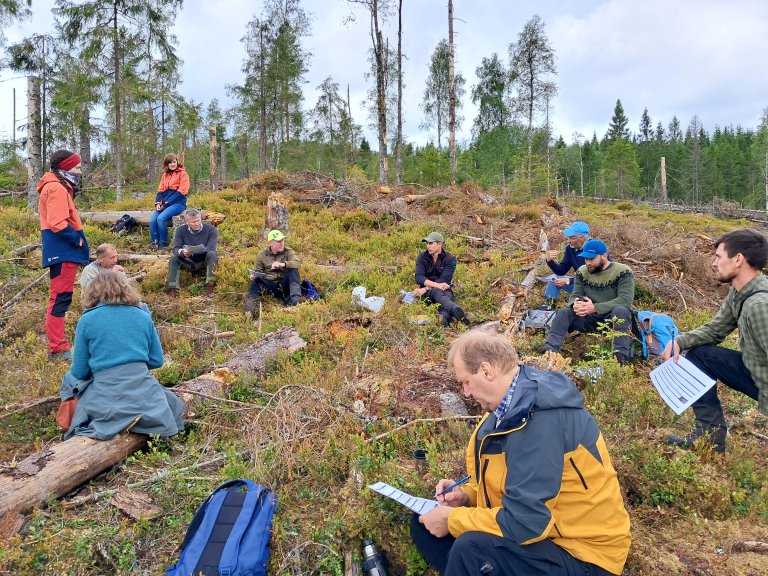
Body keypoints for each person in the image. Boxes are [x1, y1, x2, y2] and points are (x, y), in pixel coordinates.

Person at [411, 328, 631, 575]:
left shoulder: (540, 420)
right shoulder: (502, 414)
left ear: (486, 371)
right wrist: (466, 496)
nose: (466, 393)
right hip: (544, 538)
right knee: (423, 524)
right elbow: (511, 488)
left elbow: (527, 523)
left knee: (470, 549)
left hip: (584, 555)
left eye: (466, 382)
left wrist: (452, 520)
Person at [665, 229, 768, 454]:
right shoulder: (739, 293)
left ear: (738, 259)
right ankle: (710, 438)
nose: (713, 263)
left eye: (719, 257)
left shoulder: (760, 305)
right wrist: (680, 341)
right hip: (755, 370)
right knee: (699, 355)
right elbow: (715, 329)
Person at [63, 270, 184, 440]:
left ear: (93, 292)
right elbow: (157, 360)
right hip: (144, 392)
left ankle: (68, 419)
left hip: (106, 396)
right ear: (126, 289)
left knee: (67, 380)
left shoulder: (87, 320)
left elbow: (80, 371)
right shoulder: (143, 315)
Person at [541, 239, 635, 364]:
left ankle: (620, 359)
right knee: (564, 313)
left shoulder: (623, 271)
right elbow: (575, 295)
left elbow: (625, 300)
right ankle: (549, 353)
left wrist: (594, 307)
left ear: (604, 256)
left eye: (592, 259)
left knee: (621, 310)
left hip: (611, 319)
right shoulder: (582, 271)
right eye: (586, 259)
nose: (588, 263)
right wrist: (577, 304)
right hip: (589, 318)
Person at [38, 149, 90, 361]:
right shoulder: (57, 189)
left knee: (60, 298)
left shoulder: (57, 187)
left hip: (62, 251)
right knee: (60, 299)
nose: (79, 172)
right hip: (63, 251)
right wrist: (76, 240)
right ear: (65, 167)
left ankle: (58, 346)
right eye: (77, 167)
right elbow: (57, 222)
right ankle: (58, 349)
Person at [413, 232, 468, 327]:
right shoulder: (422, 257)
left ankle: (444, 321)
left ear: (439, 244)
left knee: (446, 297)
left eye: (430, 243)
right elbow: (419, 278)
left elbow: (444, 280)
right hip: (425, 294)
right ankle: (454, 309)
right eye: (427, 243)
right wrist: (429, 288)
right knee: (437, 292)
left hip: (440, 290)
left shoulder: (450, 259)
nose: (428, 246)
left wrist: (427, 287)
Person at [244, 230, 301, 317]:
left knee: (293, 270)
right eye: (278, 241)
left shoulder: (289, 251)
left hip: (284, 284)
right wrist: (255, 276)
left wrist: (283, 264)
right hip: (269, 285)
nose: (282, 243)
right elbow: (259, 271)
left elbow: (297, 263)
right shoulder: (262, 255)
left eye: (282, 240)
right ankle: (249, 312)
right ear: (270, 243)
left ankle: (295, 300)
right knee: (255, 282)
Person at [165, 208, 219, 297]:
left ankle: (210, 286)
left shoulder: (211, 230)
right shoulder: (180, 230)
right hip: (189, 262)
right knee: (174, 258)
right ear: (187, 222)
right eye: (193, 222)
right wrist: (182, 252)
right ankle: (172, 288)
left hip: (205, 261)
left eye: (198, 220)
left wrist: (193, 252)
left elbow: (211, 248)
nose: (197, 223)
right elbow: (175, 249)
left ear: (201, 219)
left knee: (212, 254)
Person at [543, 221, 590, 309]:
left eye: (572, 238)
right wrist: (549, 260)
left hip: (595, 288)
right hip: (579, 284)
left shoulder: (593, 248)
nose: (569, 241)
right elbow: (561, 271)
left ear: (583, 237)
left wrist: (568, 281)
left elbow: (592, 276)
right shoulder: (570, 248)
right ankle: (548, 307)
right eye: (568, 237)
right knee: (554, 278)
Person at [150, 153, 190, 249]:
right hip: (165, 204)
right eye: (170, 162)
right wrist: (158, 203)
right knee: (153, 220)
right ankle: (155, 244)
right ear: (167, 164)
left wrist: (167, 203)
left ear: (177, 162)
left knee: (161, 218)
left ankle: (163, 244)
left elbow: (182, 191)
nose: (172, 164)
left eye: (174, 162)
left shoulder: (183, 174)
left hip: (178, 203)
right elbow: (160, 190)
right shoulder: (165, 176)